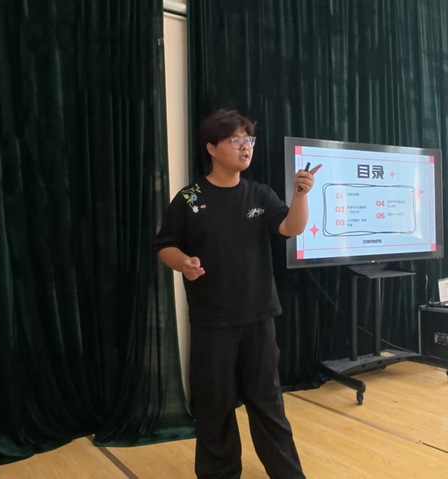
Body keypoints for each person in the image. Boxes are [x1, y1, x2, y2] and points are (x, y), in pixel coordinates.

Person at [155, 109, 320, 479]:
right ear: (211, 148)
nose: (246, 147)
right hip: (212, 322)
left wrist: (300, 195)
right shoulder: (190, 197)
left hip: (258, 317)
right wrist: (184, 263)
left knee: (268, 402)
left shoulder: (259, 193)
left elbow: (290, 227)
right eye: (235, 140)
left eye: (249, 140)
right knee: (214, 406)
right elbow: (166, 246)